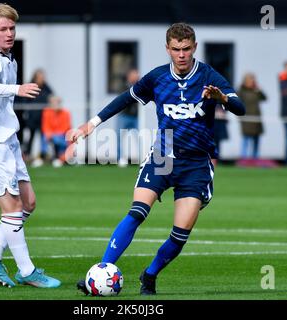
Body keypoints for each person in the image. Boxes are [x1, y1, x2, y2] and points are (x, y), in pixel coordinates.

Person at [71, 23, 245, 295]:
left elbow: (240, 107)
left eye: (186, 49)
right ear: (168, 49)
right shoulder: (157, 77)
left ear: (194, 47)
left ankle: (149, 275)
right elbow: (124, 99)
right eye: (176, 49)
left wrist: (222, 98)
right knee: (137, 212)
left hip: (197, 163)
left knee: (180, 234)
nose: (182, 54)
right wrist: (91, 124)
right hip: (164, 155)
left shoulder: (210, 76)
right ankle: (102, 271)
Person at [0, 3, 61, 288]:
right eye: (3, 29)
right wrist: (16, 89)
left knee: (28, 202)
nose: (9, 34)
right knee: (12, 208)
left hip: (7, 141)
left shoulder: (9, 59)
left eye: (12, 28)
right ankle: (27, 270)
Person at [22, 69, 53, 163]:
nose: (42, 79)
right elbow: (24, 100)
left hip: (43, 118)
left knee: (44, 137)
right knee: (30, 137)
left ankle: (44, 156)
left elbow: (51, 97)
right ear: (35, 77)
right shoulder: (30, 86)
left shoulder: (46, 87)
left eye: (43, 77)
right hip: (32, 117)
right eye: (40, 77)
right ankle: (26, 155)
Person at [238, 72, 267, 160]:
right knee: (246, 139)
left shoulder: (256, 91)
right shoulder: (241, 91)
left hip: (256, 119)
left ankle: (255, 159)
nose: (252, 82)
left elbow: (264, 98)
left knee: (256, 140)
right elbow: (237, 104)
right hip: (246, 119)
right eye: (251, 80)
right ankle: (244, 159)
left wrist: (259, 90)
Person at [116, 69, 140, 167]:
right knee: (119, 137)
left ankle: (141, 157)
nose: (137, 77)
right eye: (135, 75)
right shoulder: (123, 87)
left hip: (135, 117)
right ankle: (121, 159)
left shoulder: (140, 87)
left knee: (139, 136)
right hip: (123, 116)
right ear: (129, 76)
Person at [40, 95, 72, 167]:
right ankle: (43, 156)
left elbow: (66, 127)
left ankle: (60, 158)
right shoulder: (46, 112)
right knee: (44, 137)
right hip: (51, 135)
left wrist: (54, 134)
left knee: (58, 140)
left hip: (63, 136)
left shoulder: (66, 113)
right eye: (53, 103)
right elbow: (45, 126)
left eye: (56, 102)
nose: (55, 104)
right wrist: (49, 134)